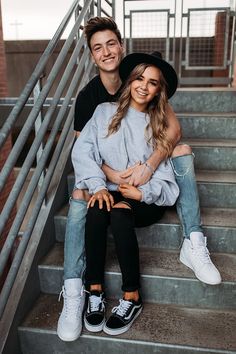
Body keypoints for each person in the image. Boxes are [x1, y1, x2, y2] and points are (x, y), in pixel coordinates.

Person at [57, 16, 221, 342]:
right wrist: (102, 182)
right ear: (92, 55)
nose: (106, 52)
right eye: (97, 47)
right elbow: (84, 150)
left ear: (121, 45)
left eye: (111, 44)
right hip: (109, 185)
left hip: (142, 193)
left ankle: (181, 251)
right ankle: (86, 291)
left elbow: (173, 135)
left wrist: (145, 176)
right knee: (91, 204)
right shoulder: (97, 106)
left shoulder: (154, 118)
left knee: (123, 206)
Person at [71, 52, 180, 335]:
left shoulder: (159, 126)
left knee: (119, 214)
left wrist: (142, 192)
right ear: (130, 80)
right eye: (140, 78)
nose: (144, 86)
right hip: (110, 189)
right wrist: (96, 185)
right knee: (96, 208)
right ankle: (94, 290)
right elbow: (84, 151)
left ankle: (132, 296)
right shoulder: (104, 112)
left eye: (153, 83)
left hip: (145, 198)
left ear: (159, 90)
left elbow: (167, 181)